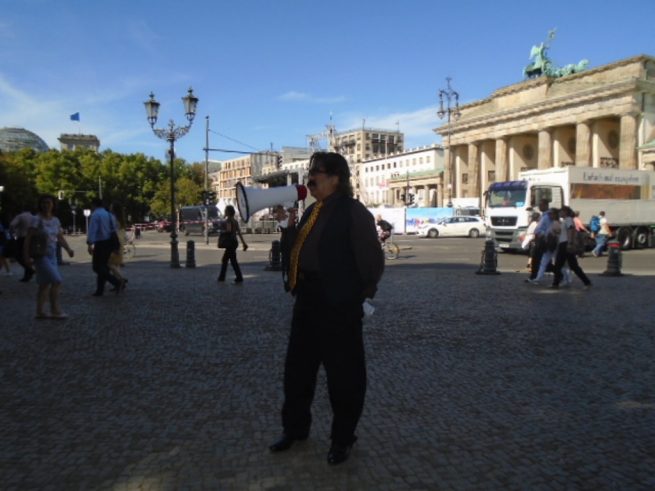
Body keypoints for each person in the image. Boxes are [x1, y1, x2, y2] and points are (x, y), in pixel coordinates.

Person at [269, 152, 384, 465]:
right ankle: (295, 428)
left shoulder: (352, 212)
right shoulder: (311, 212)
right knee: (297, 371)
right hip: (307, 299)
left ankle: (343, 438)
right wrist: (286, 225)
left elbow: (372, 257)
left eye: (316, 171)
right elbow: (297, 250)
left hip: (338, 304)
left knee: (343, 376)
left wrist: (362, 296)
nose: (310, 177)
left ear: (336, 177)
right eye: (310, 170)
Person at [23, 194, 74, 319]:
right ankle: (55, 310)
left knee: (44, 284)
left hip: (53, 255)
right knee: (56, 281)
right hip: (41, 255)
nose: (46, 205)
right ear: (40, 204)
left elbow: (60, 237)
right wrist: (26, 256)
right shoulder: (36, 219)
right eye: (44, 202)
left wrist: (68, 249)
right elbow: (28, 239)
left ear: (53, 205)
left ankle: (39, 311)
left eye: (49, 202)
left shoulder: (55, 220)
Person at [87, 198, 124, 296]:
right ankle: (100, 290)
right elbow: (115, 228)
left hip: (101, 243)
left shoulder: (96, 215)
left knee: (97, 267)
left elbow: (92, 230)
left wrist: (90, 243)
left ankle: (116, 282)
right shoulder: (109, 215)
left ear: (94, 205)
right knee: (103, 267)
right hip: (110, 243)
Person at [551, 206, 592, 289]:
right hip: (564, 243)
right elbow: (565, 231)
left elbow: (571, 230)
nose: (559, 213)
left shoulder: (569, 219)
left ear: (565, 212)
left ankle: (555, 284)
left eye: (561, 211)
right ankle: (587, 282)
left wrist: (570, 243)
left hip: (565, 244)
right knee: (573, 265)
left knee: (558, 265)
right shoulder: (565, 220)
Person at [217, 205, 247, 283]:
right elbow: (239, 233)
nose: (224, 212)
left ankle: (226, 277)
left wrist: (221, 232)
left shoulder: (229, 221)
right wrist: (244, 243)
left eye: (226, 210)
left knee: (228, 260)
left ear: (228, 212)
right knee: (229, 260)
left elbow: (228, 231)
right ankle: (224, 277)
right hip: (234, 242)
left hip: (230, 243)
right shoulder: (235, 221)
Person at [526, 199, 551, 282]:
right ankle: (534, 276)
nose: (540, 207)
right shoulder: (543, 215)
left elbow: (548, 229)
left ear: (546, 205)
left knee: (538, 259)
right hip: (539, 239)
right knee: (538, 259)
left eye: (541, 205)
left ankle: (534, 277)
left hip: (543, 240)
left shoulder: (547, 216)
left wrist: (542, 234)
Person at [275, 205, 298, 291]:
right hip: (287, 244)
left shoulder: (288, 228)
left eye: (280, 212)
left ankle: (291, 283)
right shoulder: (284, 226)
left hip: (288, 244)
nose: (277, 215)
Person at [10, 207, 36, 282]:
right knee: (27, 256)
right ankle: (27, 275)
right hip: (32, 238)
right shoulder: (34, 217)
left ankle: (29, 270)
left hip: (22, 237)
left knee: (18, 255)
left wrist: (13, 233)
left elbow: (12, 225)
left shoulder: (20, 216)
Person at [108, 202, 127, 291]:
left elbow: (111, 231)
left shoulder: (113, 219)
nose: (109, 208)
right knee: (116, 263)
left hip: (115, 242)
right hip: (120, 241)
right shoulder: (121, 219)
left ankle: (121, 279)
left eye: (111, 207)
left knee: (109, 263)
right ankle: (118, 283)